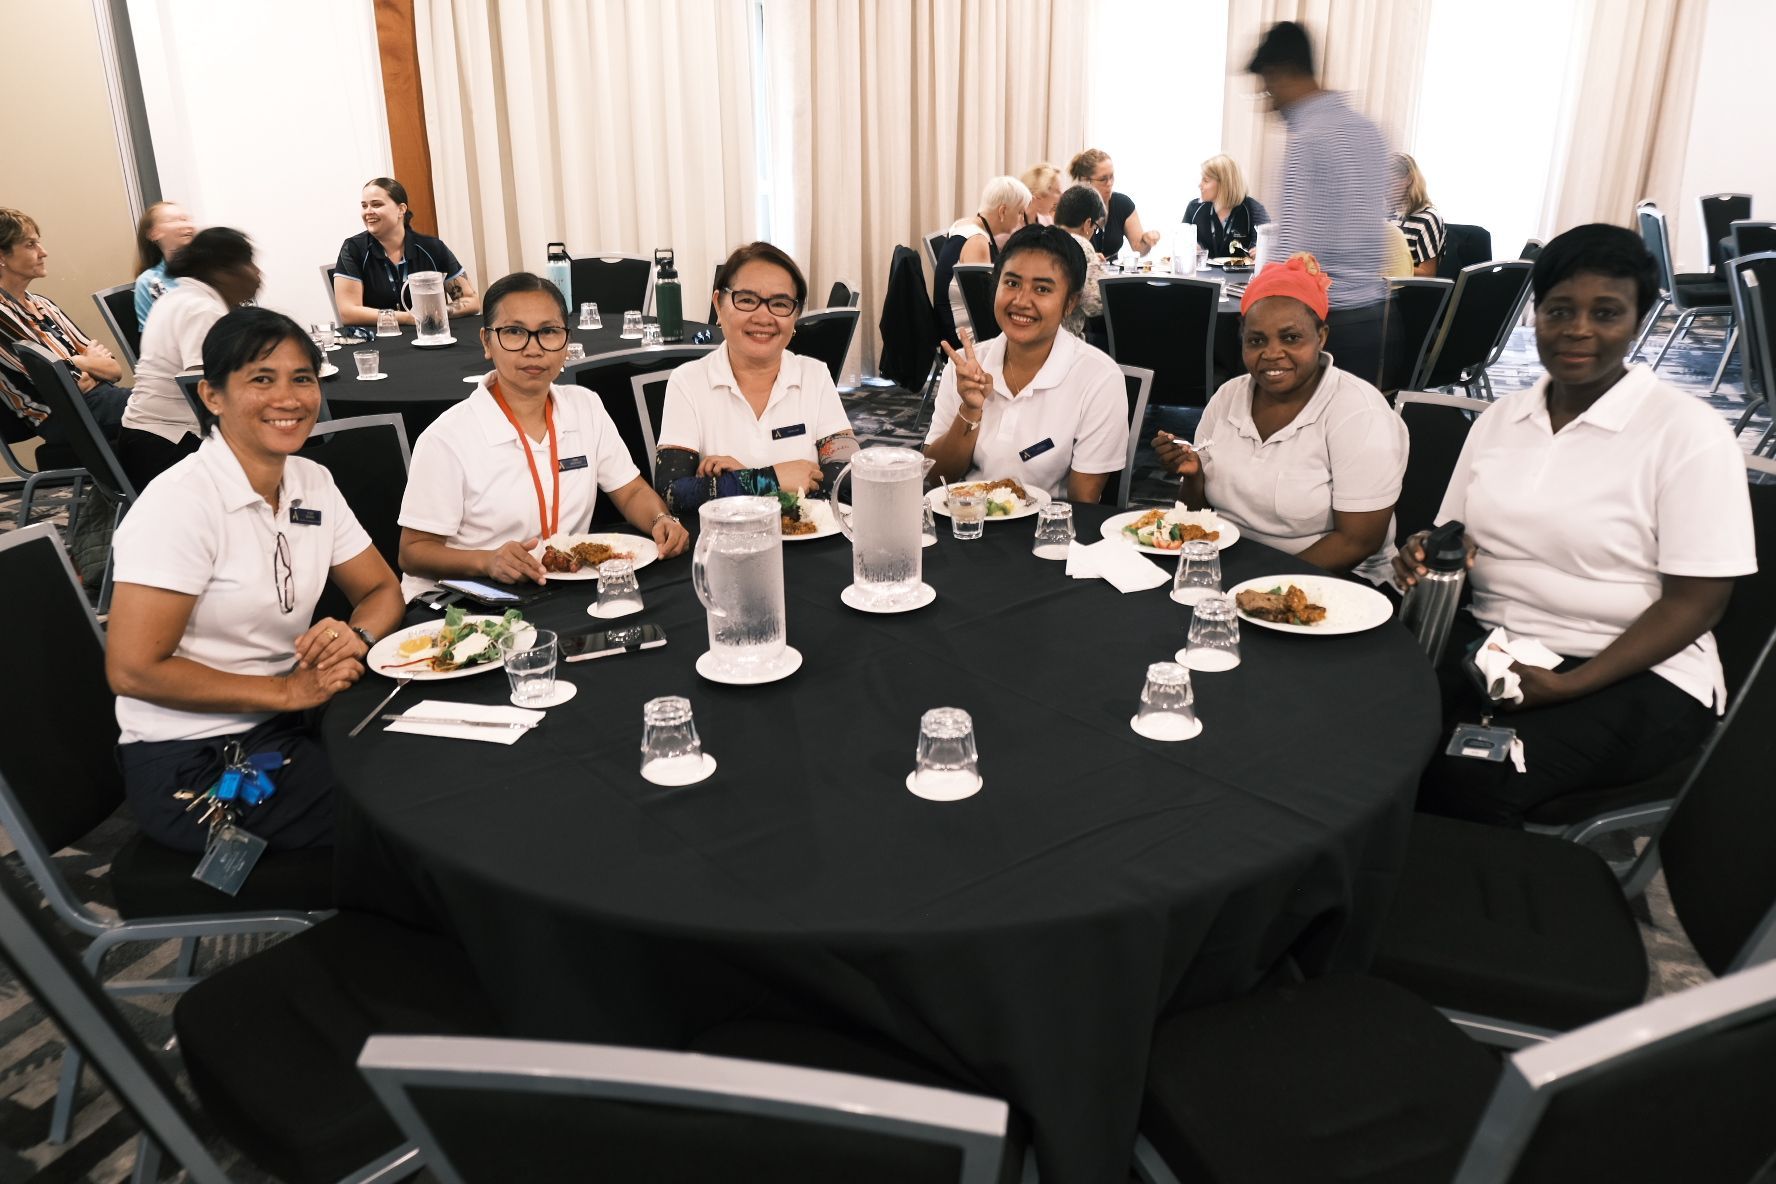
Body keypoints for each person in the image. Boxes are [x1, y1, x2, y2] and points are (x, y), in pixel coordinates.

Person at [1397, 224, 1756, 828]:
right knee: (1359, 725)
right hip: (1495, 649)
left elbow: (1697, 604)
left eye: (1606, 312)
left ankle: (1457, 903)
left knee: (1462, 779)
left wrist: (1572, 685)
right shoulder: (1503, 418)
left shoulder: (1688, 435)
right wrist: (1424, 550)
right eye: (1559, 310)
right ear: (1535, 316)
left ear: (1638, 321)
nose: (1578, 329)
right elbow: (1455, 531)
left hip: (1636, 673)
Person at [105, 308, 405, 853]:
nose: (288, 398)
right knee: (408, 821)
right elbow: (132, 669)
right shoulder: (181, 504)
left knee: (442, 767)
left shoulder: (311, 481)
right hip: (197, 761)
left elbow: (382, 591)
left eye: (303, 378)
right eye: (261, 379)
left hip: (296, 719)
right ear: (212, 396)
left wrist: (355, 637)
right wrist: (286, 690)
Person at [398, 272, 689, 600]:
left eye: (549, 332)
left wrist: (660, 519)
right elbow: (413, 551)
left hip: (559, 588)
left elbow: (631, 491)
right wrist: (486, 561)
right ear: (486, 342)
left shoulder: (585, 407)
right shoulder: (447, 438)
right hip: (469, 599)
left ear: (566, 341)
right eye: (514, 332)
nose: (533, 349)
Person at [1155, 253, 1405, 584]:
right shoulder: (1229, 397)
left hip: (1334, 581)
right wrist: (1194, 476)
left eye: (1290, 338)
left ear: (1322, 336)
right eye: (1256, 340)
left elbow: (1358, 541)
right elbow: (1197, 513)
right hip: (1229, 566)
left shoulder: (1358, 412)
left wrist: (1258, 584)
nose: (1271, 353)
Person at [925, 224, 1129, 502]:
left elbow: (1084, 505)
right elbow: (936, 479)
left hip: (1047, 534)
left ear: (1070, 303)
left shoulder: (1098, 379)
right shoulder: (968, 366)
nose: (1021, 301)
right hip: (968, 525)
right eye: (1012, 283)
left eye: (1042, 289)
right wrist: (970, 410)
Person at [654, 242, 857, 516]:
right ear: (718, 304)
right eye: (747, 300)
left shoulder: (814, 376)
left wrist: (736, 481)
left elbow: (848, 481)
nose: (763, 316)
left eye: (780, 304)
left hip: (808, 544)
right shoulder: (688, 381)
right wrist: (769, 479)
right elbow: (673, 493)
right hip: (726, 549)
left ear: (795, 316)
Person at [1249, 22, 1392, 387]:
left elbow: (1297, 255)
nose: (1269, 104)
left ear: (1280, 74)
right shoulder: (1368, 130)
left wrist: (1257, 302)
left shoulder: (1308, 139)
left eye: (1266, 90)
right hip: (1373, 317)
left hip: (1326, 324)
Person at [117, 228, 262, 490]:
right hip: (167, 450)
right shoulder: (202, 310)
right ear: (224, 271)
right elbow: (201, 389)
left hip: (144, 440)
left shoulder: (180, 297)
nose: (258, 274)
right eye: (249, 263)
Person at [0, 208, 129, 446]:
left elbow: (114, 369)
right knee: (167, 413)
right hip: (65, 418)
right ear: (2, 257)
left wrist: (76, 363)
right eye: (31, 245)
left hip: (98, 400)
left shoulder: (43, 304)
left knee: (170, 408)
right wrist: (81, 361)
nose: (43, 252)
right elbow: (64, 384)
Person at [333, 177, 479, 329]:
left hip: (430, 335)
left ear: (401, 209)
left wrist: (437, 312)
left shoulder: (433, 247)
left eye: (376, 205)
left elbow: (471, 300)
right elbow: (348, 313)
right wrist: (408, 318)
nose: (368, 212)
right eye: (364, 206)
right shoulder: (353, 249)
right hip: (380, 342)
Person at [934, 176, 1030, 347]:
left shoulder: (963, 224)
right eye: (1020, 212)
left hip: (950, 325)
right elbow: (984, 307)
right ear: (1002, 211)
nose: (1021, 219)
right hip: (966, 337)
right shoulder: (977, 242)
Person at [1069, 148, 1160, 259]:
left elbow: (1139, 249)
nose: (1110, 183)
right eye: (1103, 179)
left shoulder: (1123, 204)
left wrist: (1147, 240)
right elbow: (1067, 252)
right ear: (1087, 181)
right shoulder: (1071, 206)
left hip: (1111, 275)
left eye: (1111, 177)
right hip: (1082, 274)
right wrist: (1089, 258)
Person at [1182, 155, 1271, 259]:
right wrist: (1187, 247)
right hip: (1203, 273)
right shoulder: (1194, 208)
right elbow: (1182, 242)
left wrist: (1261, 252)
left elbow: (1266, 248)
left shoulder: (1254, 209)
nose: (1200, 185)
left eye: (1205, 180)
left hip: (1241, 274)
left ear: (1224, 184)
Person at [1053, 185, 1107, 342]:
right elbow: (1094, 305)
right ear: (1088, 223)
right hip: (1063, 341)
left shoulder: (1044, 237)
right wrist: (1098, 268)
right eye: (1096, 228)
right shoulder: (1081, 244)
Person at [132, 200, 197, 327]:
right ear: (153, 233)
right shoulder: (149, 281)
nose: (186, 225)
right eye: (173, 220)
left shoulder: (211, 268)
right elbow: (154, 338)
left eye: (186, 219)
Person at [1389, 153, 1447, 277]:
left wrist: (1386, 269)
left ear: (1408, 179)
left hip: (1407, 291)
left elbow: (1428, 273)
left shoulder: (1428, 218)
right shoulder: (1385, 215)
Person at [1020, 163, 1062, 227]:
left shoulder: (1047, 220)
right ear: (1039, 194)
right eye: (1057, 191)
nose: (1061, 196)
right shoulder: (1013, 223)